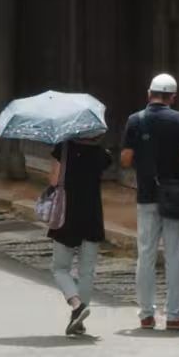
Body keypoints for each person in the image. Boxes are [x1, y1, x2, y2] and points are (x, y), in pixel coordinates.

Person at [123, 73, 179, 333]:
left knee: (145, 253)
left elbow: (124, 159)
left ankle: (146, 314)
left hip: (147, 193)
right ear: (173, 97)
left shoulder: (135, 120)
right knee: (175, 254)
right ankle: (174, 315)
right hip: (175, 196)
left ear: (149, 93)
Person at [46, 128, 110, 336]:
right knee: (86, 271)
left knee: (60, 268)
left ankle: (76, 305)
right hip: (92, 214)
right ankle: (79, 320)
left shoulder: (64, 149)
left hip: (67, 214)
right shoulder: (102, 154)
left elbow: (54, 181)